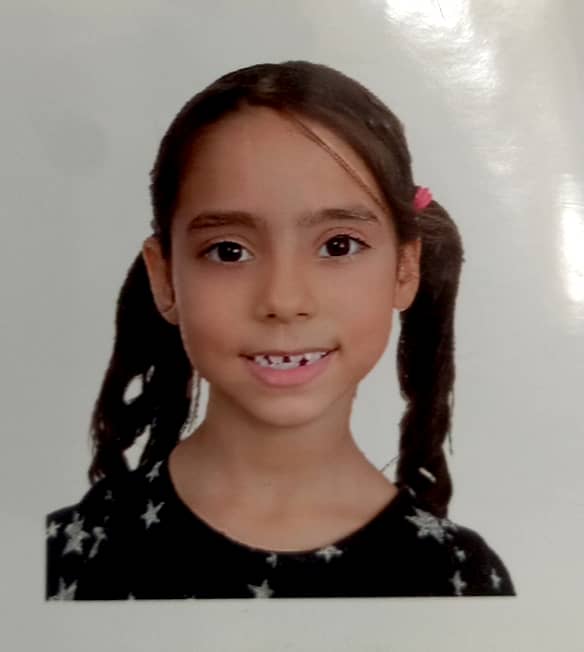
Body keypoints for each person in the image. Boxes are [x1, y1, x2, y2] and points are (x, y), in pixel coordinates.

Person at [45, 60, 515, 600]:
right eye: (229, 251)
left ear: (405, 269)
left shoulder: (459, 578)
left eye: (338, 245)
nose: (283, 301)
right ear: (165, 277)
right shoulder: (68, 557)